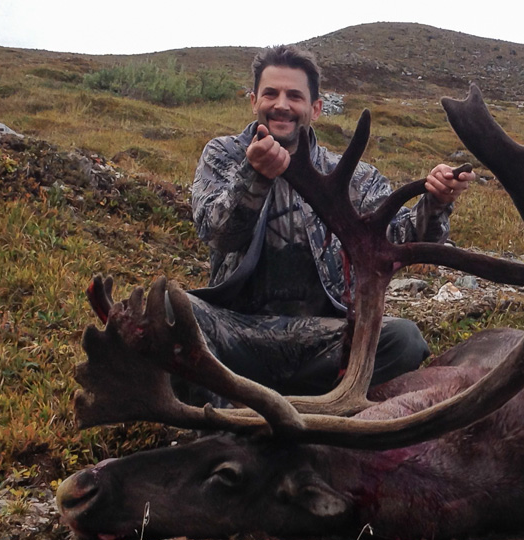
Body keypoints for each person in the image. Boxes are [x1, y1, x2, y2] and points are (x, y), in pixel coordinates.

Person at [180, 45, 473, 402]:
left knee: (403, 340)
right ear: (254, 100)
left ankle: (317, 411)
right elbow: (216, 233)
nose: (282, 105)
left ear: (315, 108)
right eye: (271, 93)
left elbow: (406, 240)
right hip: (234, 330)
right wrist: (253, 177)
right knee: (172, 309)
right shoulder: (223, 154)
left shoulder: (352, 176)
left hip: (324, 339)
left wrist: (436, 202)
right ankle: (222, 427)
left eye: (295, 96)